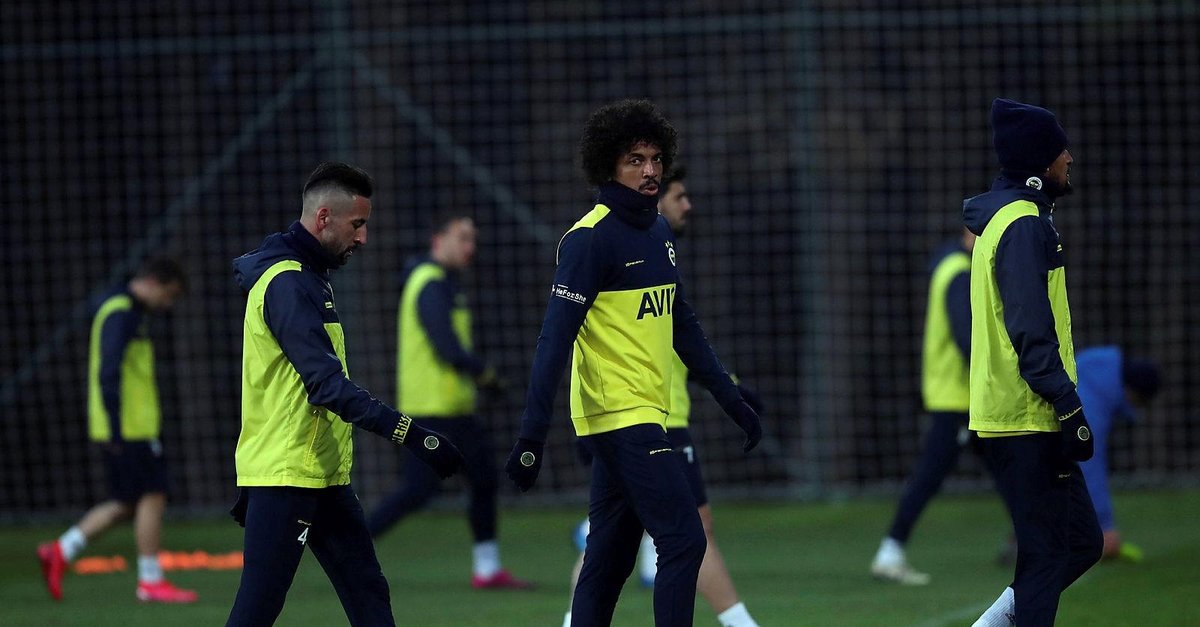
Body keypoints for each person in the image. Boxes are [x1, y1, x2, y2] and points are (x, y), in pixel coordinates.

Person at [504, 99, 763, 627]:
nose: (650, 171)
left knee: (609, 561)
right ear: (608, 166)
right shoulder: (588, 239)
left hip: (645, 413)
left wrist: (732, 400)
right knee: (684, 538)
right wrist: (532, 436)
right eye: (635, 160)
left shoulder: (657, 232)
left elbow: (682, 324)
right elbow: (553, 341)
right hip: (618, 415)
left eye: (655, 159)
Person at [225, 162, 464, 627]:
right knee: (257, 610)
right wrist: (413, 434)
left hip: (322, 475)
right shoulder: (287, 283)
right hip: (286, 476)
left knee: (369, 594)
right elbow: (327, 387)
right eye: (357, 225)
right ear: (323, 218)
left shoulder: (309, 277)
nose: (363, 238)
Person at [560, 166, 762, 627]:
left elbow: (675, 338)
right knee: (689, 532)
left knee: (621, 541)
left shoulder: (656, 248)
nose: (687, 206)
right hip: (648, 421)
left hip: (649, 414)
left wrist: (731, 390)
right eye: (679, 196)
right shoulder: (605, 242)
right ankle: (741, 623)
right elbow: (592, 338)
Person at [965, 99, 1102, 627]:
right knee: (1045, 558)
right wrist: (1066, 402)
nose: (1070, 157)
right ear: (1040, 161)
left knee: (1081, 542)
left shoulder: (1009, 220)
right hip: (1026, 413)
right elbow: (1029, 326)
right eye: (1061, 149)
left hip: (1019, 411)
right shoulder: (1023, 224)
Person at [366, 211, 532, 589]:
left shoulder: (443, 283)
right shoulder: (429, 284)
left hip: (455, 410)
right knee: (417, 490)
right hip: (430, 413)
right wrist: (486, 376)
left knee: (484, 479)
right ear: (437, 240)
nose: (470, 247)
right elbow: (448, 349)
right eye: (463, 238)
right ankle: (347, 543)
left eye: (473, 239)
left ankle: (487, 569)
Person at [37, 257, 195, 604]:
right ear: (152, 282)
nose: (167, 304)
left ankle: (60, 550)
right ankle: (150, 581)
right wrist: (114, 428)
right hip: (128, 428)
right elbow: (108, 372)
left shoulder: (127, 311)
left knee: (126, 503)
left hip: (127, 426)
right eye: (168, 294)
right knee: (154, 494)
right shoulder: (121, 312)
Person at [871, 227, 985, 586]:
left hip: (958, 394)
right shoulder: (959, 272)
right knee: (929, 475)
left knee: (1011, 472)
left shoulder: (950, 267)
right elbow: (965, 336)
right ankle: (890, 551)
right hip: (959, 397)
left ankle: (1035, 544)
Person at [997, 346, 1163, 565]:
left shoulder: (1096, 369)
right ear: (1133, 392)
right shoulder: (1093, 404)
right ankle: (1032, 546)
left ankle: (1025, 541)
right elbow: (1089, 464)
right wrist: (1105, 526)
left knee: (1046, 480)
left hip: (1019, 426)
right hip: (1019, 430)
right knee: (1058, 479)